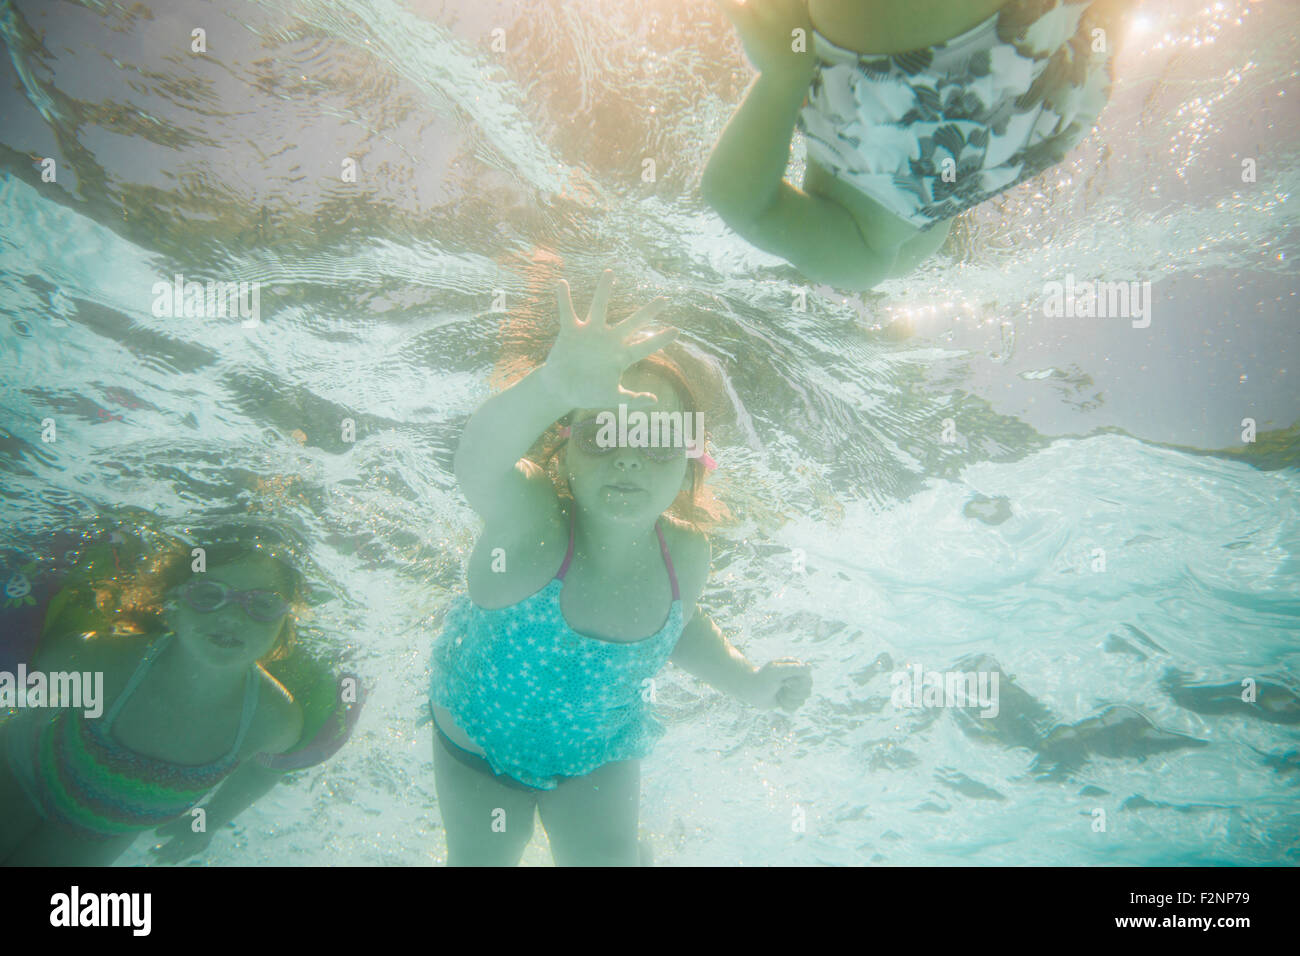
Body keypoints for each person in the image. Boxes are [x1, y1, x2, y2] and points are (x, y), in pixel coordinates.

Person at [428, 270, 814, 866]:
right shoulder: (532, 527)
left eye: (658, 438)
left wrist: (747, 681)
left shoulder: (686, 553)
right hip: (478, 745)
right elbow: (476, 464)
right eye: (604, 431)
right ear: (566, 445)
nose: (629, 456)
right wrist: (553, 385)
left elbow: (680, 625)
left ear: (692, 461)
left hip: (597, 753)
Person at [702, 0, 1128, 289]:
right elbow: (739, 201)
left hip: (1052, 112)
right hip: (904, 98)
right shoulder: (858, 268)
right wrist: (784, 72)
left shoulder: (909, 244)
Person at [0, 535, 323, 865]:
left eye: (264, 604)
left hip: (102, 833)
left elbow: (266, 769)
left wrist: (209, 822)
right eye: (209, 595)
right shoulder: (115, 664)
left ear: (286, 620)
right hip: (19, 770)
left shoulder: (273, 720)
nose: (233, 618)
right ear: (173, 603)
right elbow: (46, 658)